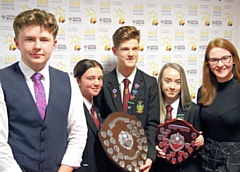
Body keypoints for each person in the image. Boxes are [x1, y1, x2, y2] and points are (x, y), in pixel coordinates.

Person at [0, 9, 87, 172]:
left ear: (54, 44)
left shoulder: (68, 81)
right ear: (17, 43)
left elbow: (78, 132)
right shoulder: (2, 80)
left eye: (44, 40)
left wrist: (65, 169)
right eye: (30, 39)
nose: (37, 46)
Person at [95, 25, 160, 172]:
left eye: (135, 49)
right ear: (114, 51)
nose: (131, 54)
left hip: (140, 160)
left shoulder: (150, 83)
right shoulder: (104, 83)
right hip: (110, 160)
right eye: (125, 49)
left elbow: (152, 123)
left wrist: (149, 156)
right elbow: (99, 121)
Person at [197, 38, 240, 172]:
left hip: (234, 158)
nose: (220, 64)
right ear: (208, 63)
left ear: (233, 59)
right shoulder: (203, 91)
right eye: (214, 60)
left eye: (225, 58)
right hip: (207, 156)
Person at [153, 63, 204, 172]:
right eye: (167, 81)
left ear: (183, 84)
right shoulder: (152, 109)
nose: (172, 87)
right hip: (159, 167)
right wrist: (154, 148)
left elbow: (200, 143)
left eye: (177, 82)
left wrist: (200, 142)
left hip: (186, 168)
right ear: (160, 82)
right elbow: (148, 136)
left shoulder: (193, 110)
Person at [73, 59, 108, 172]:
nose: (97, 83)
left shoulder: (96, 108)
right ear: (78, 80)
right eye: (90, 79)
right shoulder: (73, 108)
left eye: (100, 78)